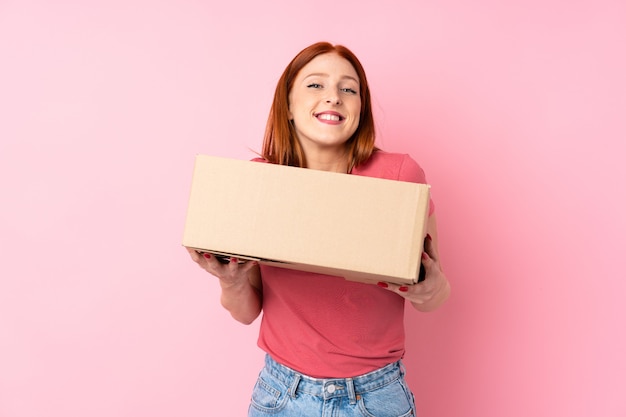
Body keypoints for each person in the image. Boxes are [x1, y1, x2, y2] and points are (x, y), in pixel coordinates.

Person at [187, 41, 451, 417]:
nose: (334, 97)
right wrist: (229, 280)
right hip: (281, 393)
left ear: (361, 107)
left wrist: (429, 285)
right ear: (289, 106)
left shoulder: (399, 177)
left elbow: (436, 297)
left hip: (375, 397)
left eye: (349, 88)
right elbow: (247, 312)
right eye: (315, 85)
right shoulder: (261, 182)